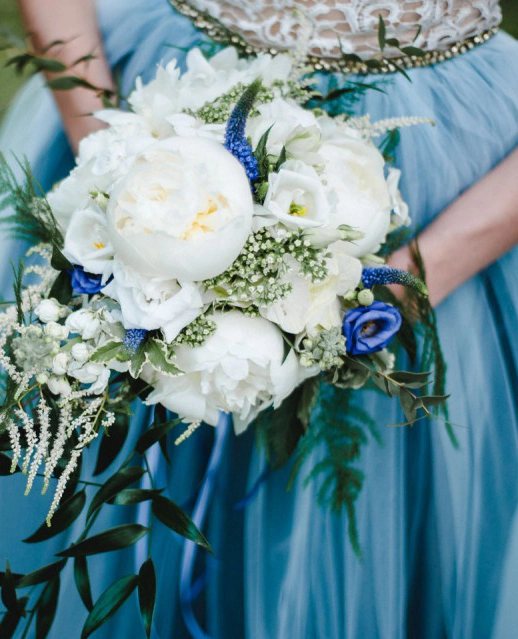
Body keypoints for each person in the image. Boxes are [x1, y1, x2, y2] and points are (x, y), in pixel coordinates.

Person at [1, 1, 518, 637]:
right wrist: (125, 183)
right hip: (167, 101)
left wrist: (396, 285)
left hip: (453, 175)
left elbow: (391, 289)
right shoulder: (129, 156)